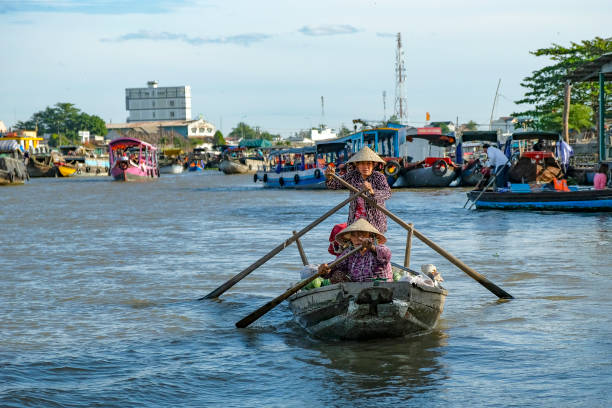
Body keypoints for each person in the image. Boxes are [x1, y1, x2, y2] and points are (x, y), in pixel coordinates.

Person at [324, 146, 391, 233]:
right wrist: (329, 177)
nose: (365, 167)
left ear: (373, 165)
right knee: (355, 243)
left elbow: (387, 193)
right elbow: (334, 185)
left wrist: (372, 191)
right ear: (357, 165)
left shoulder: (378, 177)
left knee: (372, 244)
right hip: (355, 220)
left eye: (368, 164)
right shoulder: (353, 175)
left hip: (374, 221)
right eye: (362, 164)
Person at [318, 218, 392, 283]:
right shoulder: (349, 252)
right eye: (353, 235)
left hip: (379, 285)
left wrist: (370, 247)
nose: (357, 238)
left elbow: (387, 255)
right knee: (337, 274)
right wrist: (326, 269)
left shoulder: (378, 248)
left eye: (362, 234)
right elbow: (336, 265)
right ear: (351, 239)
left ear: (370, 237)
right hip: (357, 289)